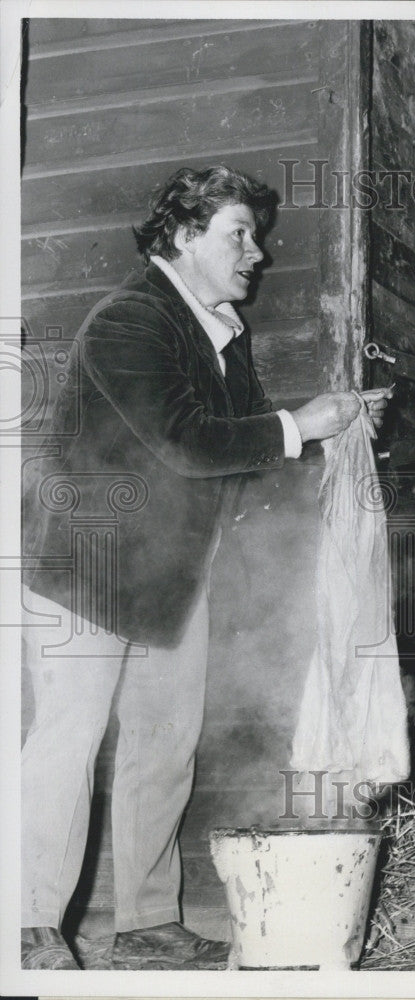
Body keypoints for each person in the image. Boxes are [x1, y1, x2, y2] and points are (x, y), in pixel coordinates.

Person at [20, 165, 391, 970]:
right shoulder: (132, 320)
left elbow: (245, 457)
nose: (255, 252)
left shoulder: (222, 334)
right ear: (184, 236)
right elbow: (188, 441)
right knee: (68, 739)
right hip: (88, 566)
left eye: (255, 236)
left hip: (168, 574)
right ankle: (27, 922)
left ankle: (147, 918)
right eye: (238, 233)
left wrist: (334, 428)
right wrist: (300, 424)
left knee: (165, 743)